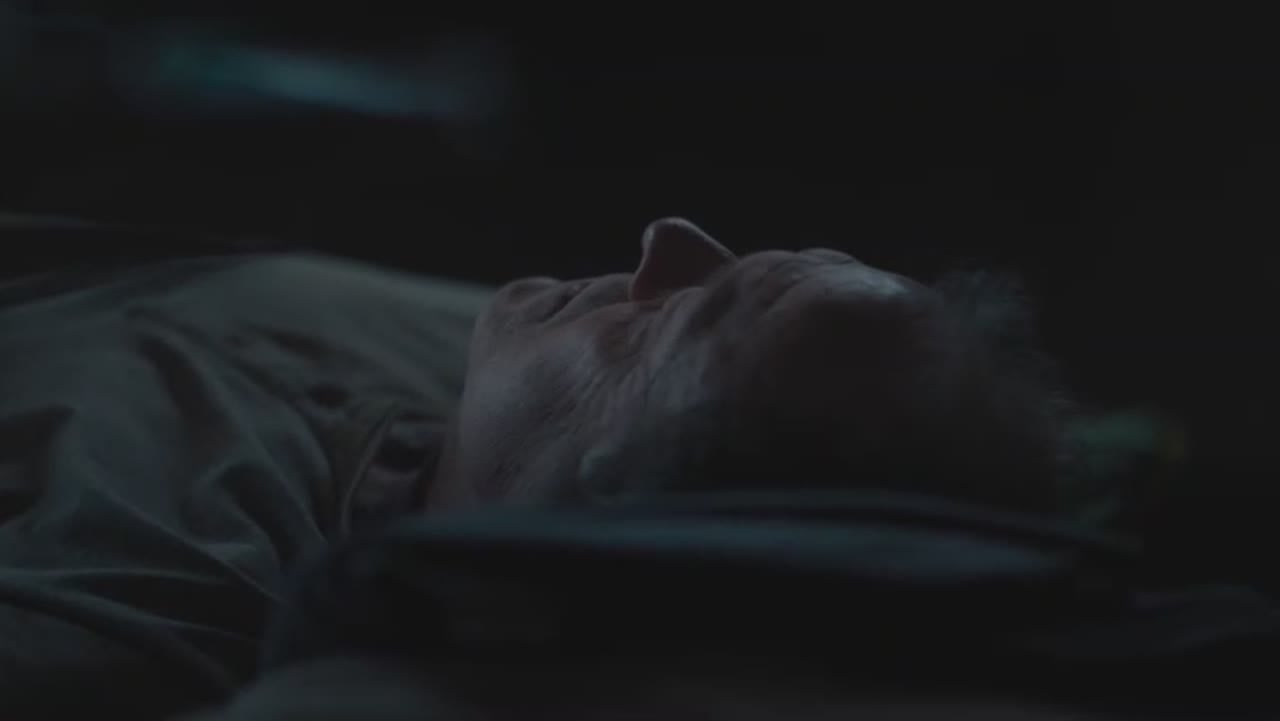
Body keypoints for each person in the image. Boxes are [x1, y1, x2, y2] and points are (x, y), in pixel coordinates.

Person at [0, 216, 1146, 718]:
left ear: (608, 491)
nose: (664, 242)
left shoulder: (142, 587)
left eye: (685, 316)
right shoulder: (490, 354)